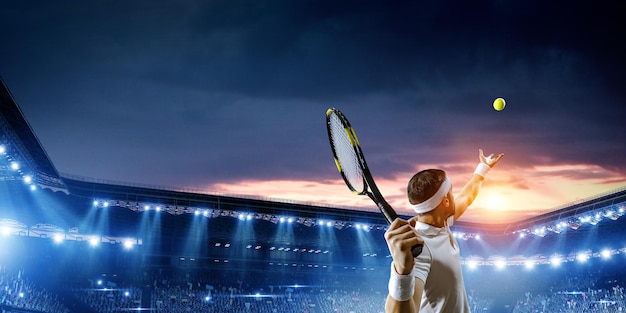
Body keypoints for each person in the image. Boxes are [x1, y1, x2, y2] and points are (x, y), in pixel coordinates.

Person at [384, 149, 504, 313]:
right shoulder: (421, 249)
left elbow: (466, 197)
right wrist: (401, 271)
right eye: (452, 192)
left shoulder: (442, 222)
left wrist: (483, 168)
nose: (456, 196)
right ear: (446, 201)